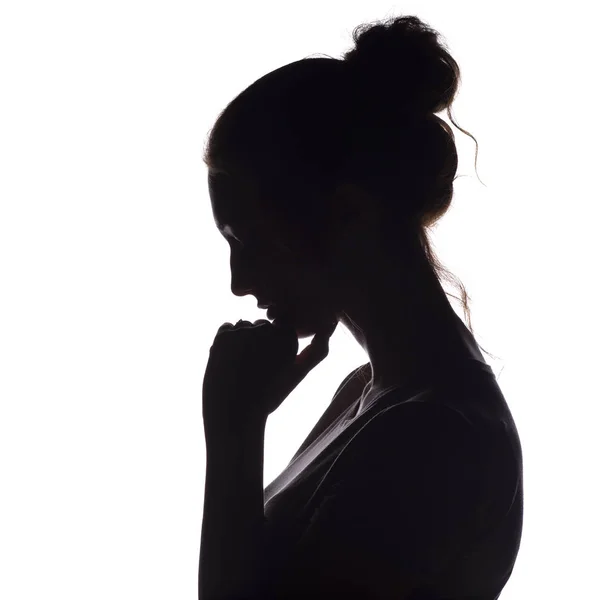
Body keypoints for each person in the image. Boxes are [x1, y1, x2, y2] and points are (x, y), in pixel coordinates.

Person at [201, 14, 523, 599]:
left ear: (350, 214)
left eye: (248, 240)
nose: (239, 282)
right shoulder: (364, 393)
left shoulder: (433, 436)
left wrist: (233, 435)